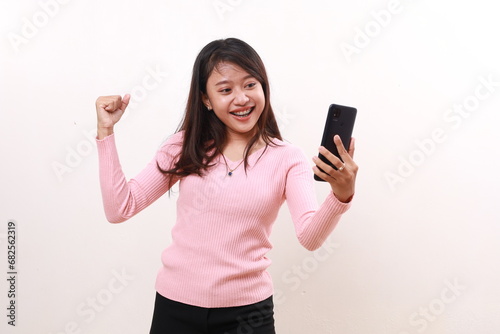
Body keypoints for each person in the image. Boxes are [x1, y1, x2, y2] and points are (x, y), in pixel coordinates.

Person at [95, 38, 358, 334]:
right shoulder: (183, 147)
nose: (242, 98)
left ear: (263, 87)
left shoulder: (288, 158)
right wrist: (106, 132)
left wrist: (341, 195)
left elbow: (310, 237)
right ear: (206, 99)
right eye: (225, 90)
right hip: (175, 308)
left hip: (248, 315)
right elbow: (120, 208)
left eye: (249, 85)